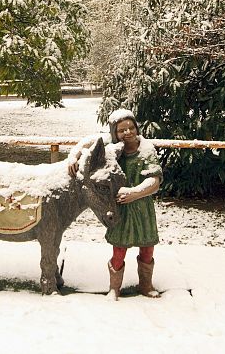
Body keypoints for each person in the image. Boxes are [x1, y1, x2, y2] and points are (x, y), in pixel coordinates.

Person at [67, 108, 162, 300]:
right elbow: (87, 141)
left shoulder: (146, 150)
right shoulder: (111, 146)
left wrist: (135, 193)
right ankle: (114, 288)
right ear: (114, 133)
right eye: (121, 130)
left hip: (142, 208)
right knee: (119, 249)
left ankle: (146, 284)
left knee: (147, 248)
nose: (127, 132)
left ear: (137, 128)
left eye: (131, 128)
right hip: (119, 208)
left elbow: (155, 181)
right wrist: (73, 156)